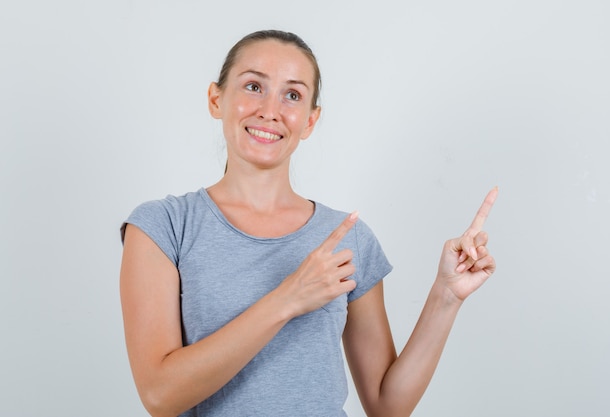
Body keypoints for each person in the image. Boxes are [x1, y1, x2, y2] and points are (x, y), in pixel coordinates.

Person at [120, 29, 498, 417]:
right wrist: (289, 299)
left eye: (293, 95)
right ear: (216, 99)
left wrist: (446, 296)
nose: (270, 110)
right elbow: (159, 395)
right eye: (253, 86)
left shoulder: (349, 238)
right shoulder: (162, 227)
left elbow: (388, 406)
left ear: (310, 120)